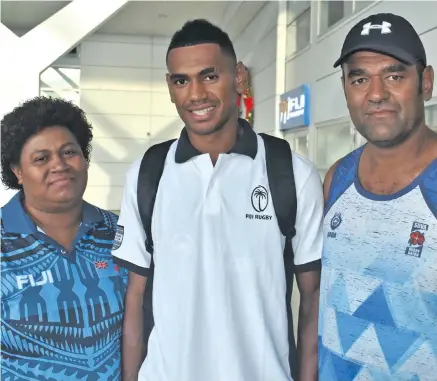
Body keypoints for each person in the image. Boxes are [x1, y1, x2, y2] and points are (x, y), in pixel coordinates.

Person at [112, 19, 323, 381]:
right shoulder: (147, 173)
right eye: (181, 80)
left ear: (239, 77)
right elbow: (135, 297)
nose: (195, 94)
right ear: (170, 87)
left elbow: (313, 299)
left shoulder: (290, 171)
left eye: (209, 76)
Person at [319, 13, 437, 380]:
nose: (376, 93)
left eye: (394, 75)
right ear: (345, 88)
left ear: (426, 83)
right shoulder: (337, 178)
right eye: (359, 79)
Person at [0, 96, 128, 381]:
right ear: (18, 171)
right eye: (41, 158)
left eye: (69, 152)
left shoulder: (120, 232)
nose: (59, 165)